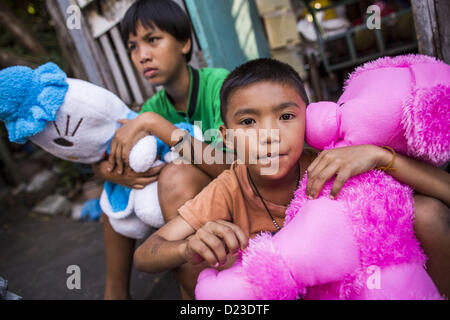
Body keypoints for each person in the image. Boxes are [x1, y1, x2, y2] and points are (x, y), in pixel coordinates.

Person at [133, 58, 450, 299]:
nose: (269, 136)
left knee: (429, 213)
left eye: (286, 116)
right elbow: (146, 253)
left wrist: (380, 155)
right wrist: (187, 247)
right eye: (248, 121)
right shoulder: (229, 188)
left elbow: (443, 194)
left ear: (309, 119)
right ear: (227, 138)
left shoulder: (331, 159)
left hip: (360, 284)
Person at [92, 0, 230, 300]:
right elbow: (105, 160)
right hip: (184, 205)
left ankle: (195, 294)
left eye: (152, 40)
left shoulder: (219, 85)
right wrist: (115, 174)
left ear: (184, 42)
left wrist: (157, 126)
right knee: (113, 196)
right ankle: (115, 294)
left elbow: (229, 169)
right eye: (132, 47)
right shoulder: (153, 108)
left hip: (233, 191)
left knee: (175, 177)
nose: (142, 56)